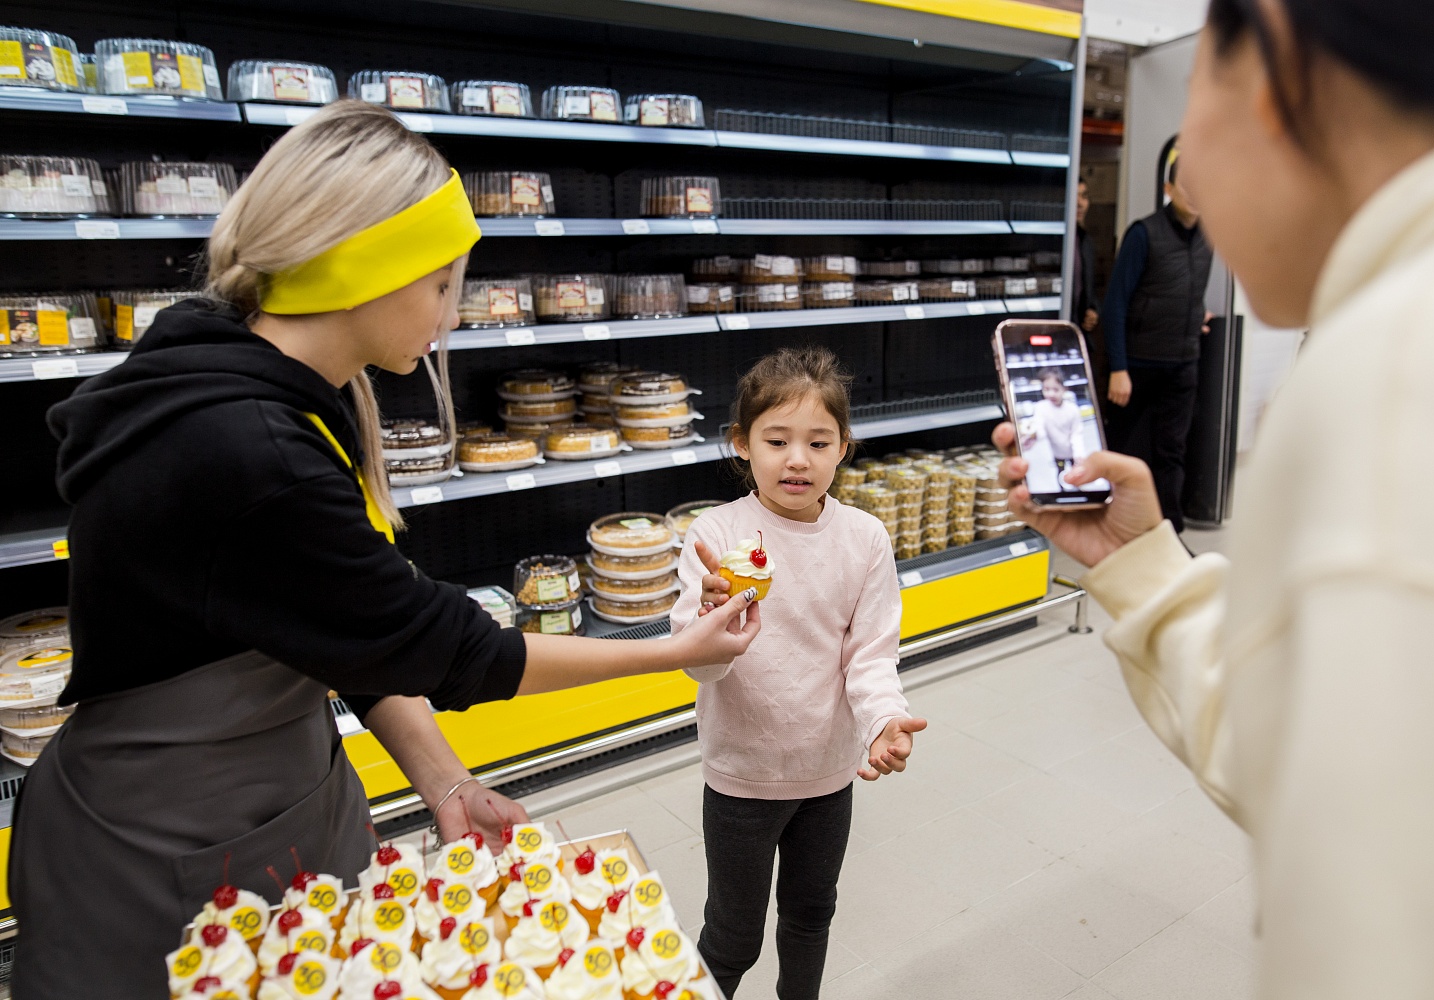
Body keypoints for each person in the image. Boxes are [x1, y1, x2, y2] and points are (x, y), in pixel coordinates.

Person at [11, 100, 762, 997]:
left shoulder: (242, 374)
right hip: (163, 852)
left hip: (262, 805)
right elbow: (447, 645)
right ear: (371, 271)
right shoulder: (249, 448)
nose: (452, 313)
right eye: (444, 283)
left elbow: (344, 629)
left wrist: (444, 785)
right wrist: (674, 654)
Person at [991, 0, 1434, 995]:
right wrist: (1139, 568)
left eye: (1195, 100)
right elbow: (1320, 762)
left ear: (1266, 54)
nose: (1196, 178)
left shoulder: (1405, 380)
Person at [672, 347, 927, 1000]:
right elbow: (696, 668)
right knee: (732, 933)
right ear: (741, 443)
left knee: (813, 915)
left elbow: (868, 654)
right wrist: (708, 625)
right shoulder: (716, 535)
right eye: (777, 439)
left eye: (818, 441)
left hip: (827, 775)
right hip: (741, 777)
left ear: (843, 446)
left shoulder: (864, 538)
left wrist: (882, 722)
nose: (797, 459)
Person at [1097, 151, 1212, 532]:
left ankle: (1170, 530)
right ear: (1168, 189)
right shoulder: (1144, 233)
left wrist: (1197, 315)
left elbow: (1186, 290)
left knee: (1172, 452)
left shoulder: (1209, 238)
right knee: (1126, 450)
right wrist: (1118, 368)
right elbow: (1115, 303)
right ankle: (1113, 524)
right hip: (1138, 364)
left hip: (1183, 363)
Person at [1023, 368, 1086, 487]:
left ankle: (1078, 491)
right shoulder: (1041, 408)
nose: (1051, 394)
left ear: (1064, 389)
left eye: (1056, 389)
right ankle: (1062, 492)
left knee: (1077, 475)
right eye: (1046, 389)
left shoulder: (1072, 409)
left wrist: (1079, 454)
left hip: (1073, 452)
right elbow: (1039, 429)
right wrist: (1032, 437)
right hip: (1057, 452)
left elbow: (1076, 433)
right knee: (1060, 472)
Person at [1073, 178, 1100, 335]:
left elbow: (1090, 289)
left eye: (1084, 196)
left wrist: (1094, 310)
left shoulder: (1085, 241)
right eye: (1075, 196)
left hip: (1078, 334)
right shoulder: (1053, 240)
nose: (1080, 203)